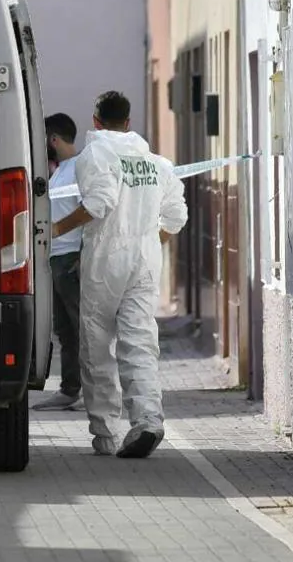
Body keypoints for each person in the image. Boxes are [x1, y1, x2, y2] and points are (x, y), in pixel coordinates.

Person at [51, 91, 188, 459]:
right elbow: (176, 217)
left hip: (106, 257)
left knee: (97, 344)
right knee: (140, 342)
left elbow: (98, 204)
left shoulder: (95, 154)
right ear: (129, 123)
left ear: (95, 121)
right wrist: (148, 241)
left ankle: (107, 434)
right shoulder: (157, 162)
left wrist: (53, 229)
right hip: (146, 257)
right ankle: (147, 421)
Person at [33, 113, 84, 412]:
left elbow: (94, 210)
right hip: (56, 260)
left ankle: (94, 390)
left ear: (53, 139)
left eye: (44, 140)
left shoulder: (79, 169)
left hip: (70, 260)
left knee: (82, 330)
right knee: (65, 330)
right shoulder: (60, 171)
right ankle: (69, 389)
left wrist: (82, 255)